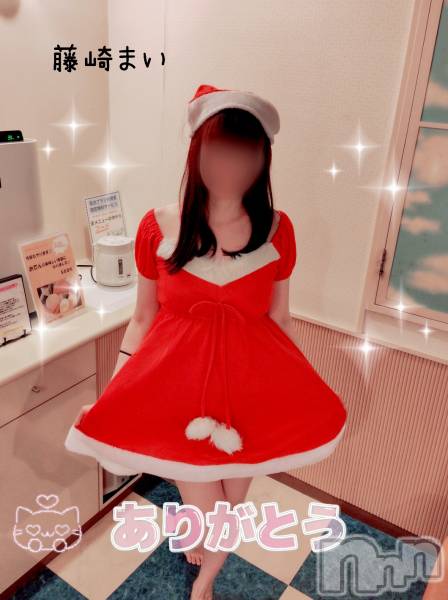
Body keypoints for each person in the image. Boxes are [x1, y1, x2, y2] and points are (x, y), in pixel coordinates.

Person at [65, 84, 348, 600]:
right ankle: (203, 570)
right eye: (219, 151)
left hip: (247, 392)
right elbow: (142, 318)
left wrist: (300, 388)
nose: (231, 165)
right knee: (210, 505)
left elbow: (280, 319)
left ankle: (205, 570)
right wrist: (115, 391)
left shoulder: (277, 230)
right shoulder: (158, 227)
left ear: (262, 159)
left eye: (245, 152)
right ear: (196, 152)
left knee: (231, 504)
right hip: (179, 391)